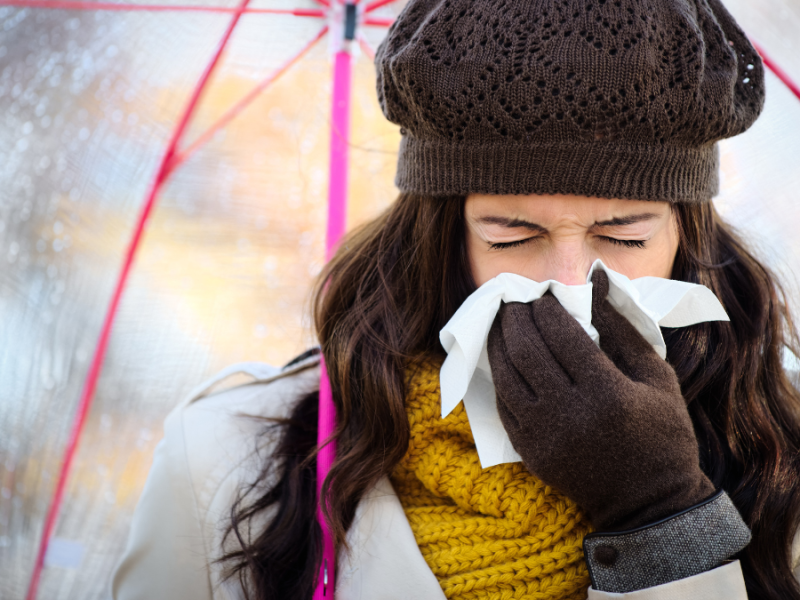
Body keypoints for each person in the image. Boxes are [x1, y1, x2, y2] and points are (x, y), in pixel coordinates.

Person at [111, 0, 800, 598]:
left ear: (686, 232)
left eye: (622, 233)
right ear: (442, 236)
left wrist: (663, 516)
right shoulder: (224, 460)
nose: (565, 285)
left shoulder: (780, 456)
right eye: (511, 233)